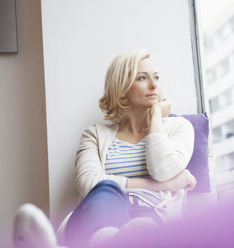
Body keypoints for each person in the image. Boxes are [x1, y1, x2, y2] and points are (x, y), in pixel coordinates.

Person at [13, 49, 197, 248]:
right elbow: (89, 183)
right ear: (122, 88)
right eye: (142, 78)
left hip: (151, 214)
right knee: (106, 190)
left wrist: (155, 118)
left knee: (143, 223)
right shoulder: (95, 134)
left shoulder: (179, 127)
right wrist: (164, 186)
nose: (154, 85)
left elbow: (163, 170)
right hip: (98, 215)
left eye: (157, 77)